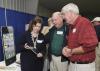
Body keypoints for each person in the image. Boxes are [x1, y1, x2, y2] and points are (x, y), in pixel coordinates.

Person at [61, 3, 98, 71]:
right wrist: (66, 48)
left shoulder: (84, 23)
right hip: (73, 65)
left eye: (63, 14)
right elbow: (73, 44)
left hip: (83, 67)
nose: (63, 17)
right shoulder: (71, 26)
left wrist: (71, 51)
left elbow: (91, 44)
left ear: (71, 12)